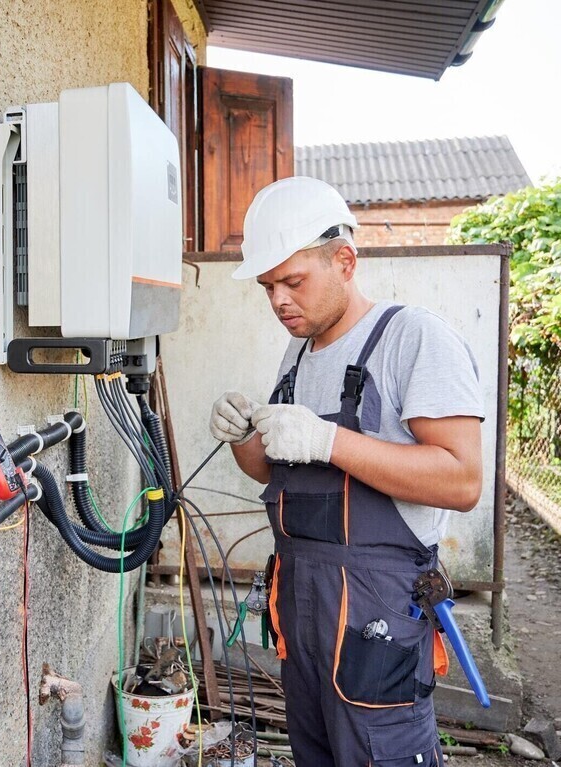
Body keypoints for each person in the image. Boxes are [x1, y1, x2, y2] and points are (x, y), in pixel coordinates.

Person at [209, 176, 484, 765]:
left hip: (375, 621)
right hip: (304, 617)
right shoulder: (298, 353)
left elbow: (462, 480)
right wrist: (242, 438)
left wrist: (330, 439)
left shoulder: (411, 338)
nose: (280, 300)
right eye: (268, 286)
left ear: (345, 259)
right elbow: (281, 477)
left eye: (293, 281)